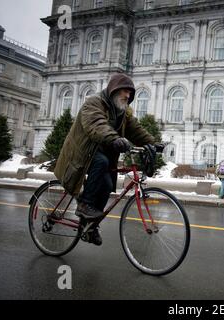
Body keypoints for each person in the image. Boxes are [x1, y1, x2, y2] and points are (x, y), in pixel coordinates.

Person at [54, 73, 156, 245]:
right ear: (114, 90)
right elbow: (97, 125)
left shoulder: (122, 113)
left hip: (102, 153)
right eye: (125, 91)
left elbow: (136, 130)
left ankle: (90, 226)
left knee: (108, 184)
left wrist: (154, 143)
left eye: (130, 94)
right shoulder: (94, 103)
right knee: (101, 162)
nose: (128, 96)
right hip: (82, 151)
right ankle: (84, 205)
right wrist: (115, 139)